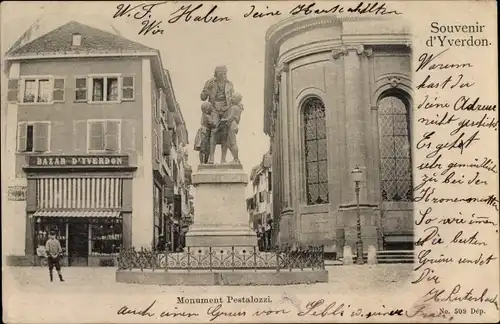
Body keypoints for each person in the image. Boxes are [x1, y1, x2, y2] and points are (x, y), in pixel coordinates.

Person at [200, 65, 236, 164]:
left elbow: (233, 99)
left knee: (225, 133)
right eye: (222, 74)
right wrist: (207, 89)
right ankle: (211, 157)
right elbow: (202, 97)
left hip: (226, 109)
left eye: (225, 73)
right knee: (214, 131)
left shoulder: (229, 84)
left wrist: (229, 107)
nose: (224, 75)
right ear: (217, 74)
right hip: (214, 109)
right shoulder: (210, 83)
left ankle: (223, 159)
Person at [219, 93, 243, 163]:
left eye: (233, 98)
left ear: (237, 100)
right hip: (234, 125)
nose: (232, 98)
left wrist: (223, 120)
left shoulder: (234, 107)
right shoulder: (238, 108)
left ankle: (236, 159)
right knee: (229, 143)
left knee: (232, 143)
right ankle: (235, 158)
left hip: (232, 125)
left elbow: (231, 117)